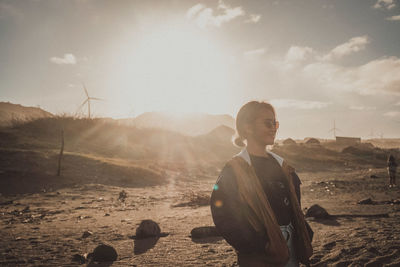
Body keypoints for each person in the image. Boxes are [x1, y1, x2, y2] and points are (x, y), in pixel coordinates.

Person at [210, 101, 313, 267]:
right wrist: (257, 244)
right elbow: (222, 213)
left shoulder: (283, 166)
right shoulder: (236, 168)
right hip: (258, 254)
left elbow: (294, 207)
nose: (273, 128)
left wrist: (304, 233)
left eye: (275, 123)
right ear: (247, 127)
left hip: (291, 246)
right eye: (268, 123)